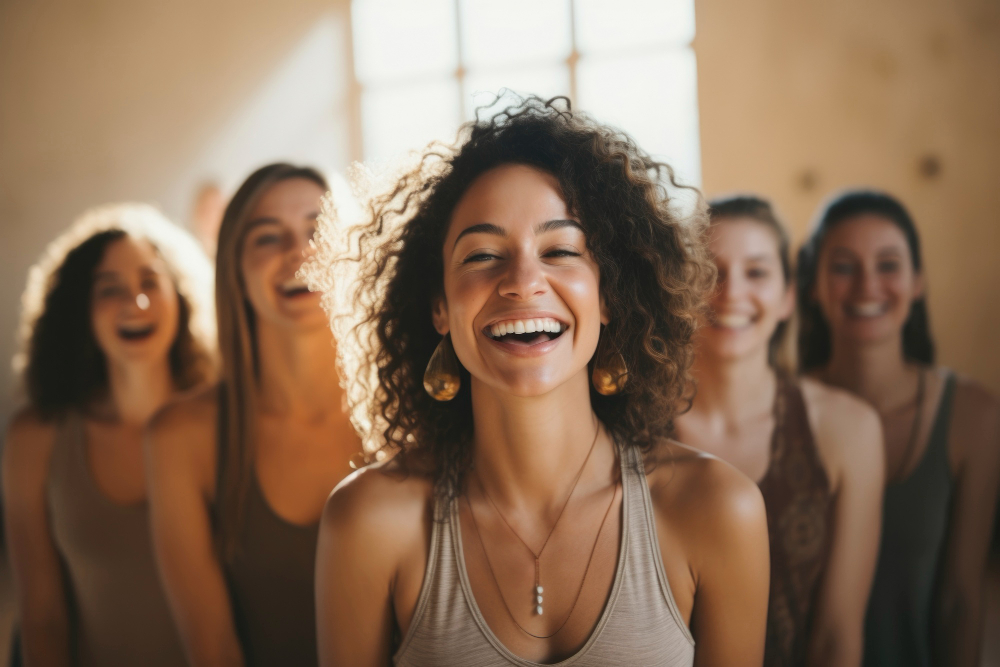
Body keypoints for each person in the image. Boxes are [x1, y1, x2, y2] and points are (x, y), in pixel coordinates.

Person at [310, 97, 771, 667]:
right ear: (438, 305)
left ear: (607, 296)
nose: (524, 281)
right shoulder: (369, 522)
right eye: (481, 255)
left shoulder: (719, 511)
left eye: (560, 250)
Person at [146, 163, 361, 667]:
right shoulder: (181, 436)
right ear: (234, 272)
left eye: (317, 229)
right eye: (268, 238)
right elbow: (213, 648)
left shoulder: (410, 412)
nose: (298, 251)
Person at [674, 195, 884, 666]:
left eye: (758, 272)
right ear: (681, 290)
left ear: (788, 296)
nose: (731, 293)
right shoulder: (632, 429)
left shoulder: (848, 428)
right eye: (712, 271)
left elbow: (836, 636)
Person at [3, 204, 215, 667]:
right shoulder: (35, 439)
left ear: (179, 295)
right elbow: (43, 619)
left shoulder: (224, 422)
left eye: (149, 283)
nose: (134, 303)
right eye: (109, 289)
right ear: (81, 310)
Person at [797, 190, 1000, 667]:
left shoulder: (974, 415)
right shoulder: (780, 408)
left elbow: (960, 603)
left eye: (888, 264)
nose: (868, 285)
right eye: (844, 266)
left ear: (918, 282)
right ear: (813, 285)